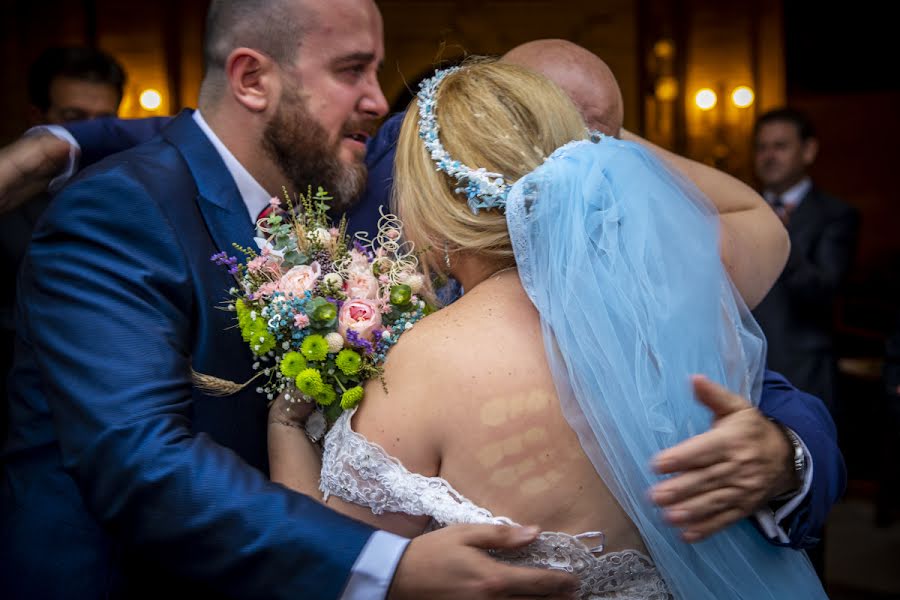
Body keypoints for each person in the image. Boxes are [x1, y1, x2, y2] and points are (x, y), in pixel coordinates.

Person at [0, 40, 844, 551]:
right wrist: (69, 139)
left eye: (600, 142)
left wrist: (787, 460)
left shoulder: (616, 280)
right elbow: (227, 123)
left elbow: (767, 398)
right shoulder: (395, 152)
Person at [0, 2, 580, 598]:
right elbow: (140, 461)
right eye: (352, 70)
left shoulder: (320, 201)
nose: (379, 101)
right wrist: (384, 566)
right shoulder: (118, 211)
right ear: (252, 81)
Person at [267, 58, 827, 598]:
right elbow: (757, 222)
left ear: (436, 199)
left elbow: (335, 567)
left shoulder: (427, 362)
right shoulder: (658, 316)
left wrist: (286, 427)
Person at [0, 46, 127, 447]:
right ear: (38, 119)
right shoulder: (10, 203)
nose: (90, 136)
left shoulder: (133, 194)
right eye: (74, 120)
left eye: (103, 122)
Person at [752, 107, 860, 414]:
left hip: (803, 369)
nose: (769, 155)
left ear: (809, 150)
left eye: (780, 146)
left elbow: (824, 289)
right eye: (761, 147)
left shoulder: (835, 215)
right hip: (742, 367)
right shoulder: (738, 211)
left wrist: (778, 236)